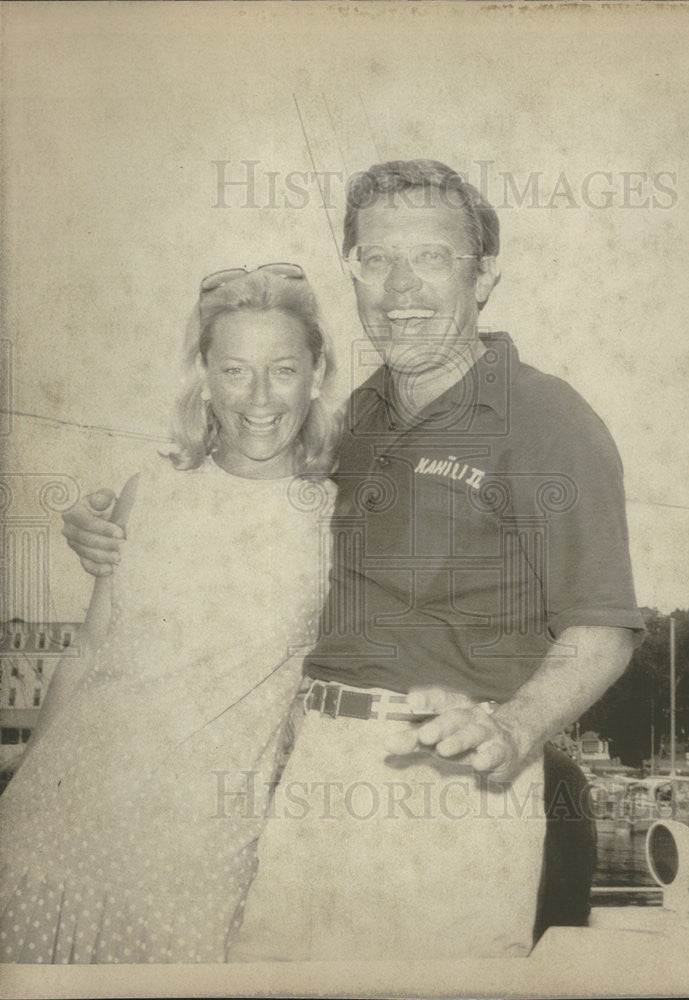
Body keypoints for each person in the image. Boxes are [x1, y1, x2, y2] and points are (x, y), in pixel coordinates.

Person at [61, 159, 643, 960]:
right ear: (354, 274)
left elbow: (601, 629)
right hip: (308, 778)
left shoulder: (547, 418)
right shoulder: (353, 420)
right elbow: (230, 490)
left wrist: (515, 729)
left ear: (485, 276)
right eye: (376, 260)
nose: (400, 287)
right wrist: (105, 523)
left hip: (449, 787)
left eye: (431, 257)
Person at [0, 265, 339, 964]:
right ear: (205, 377)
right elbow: (90, 649)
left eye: (282, 369)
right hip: (56, 824)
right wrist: (23, 786)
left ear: (316, 373)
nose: (259, 398)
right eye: (234, 370)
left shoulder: (335, 518)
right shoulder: (148, 491)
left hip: (198, 857)